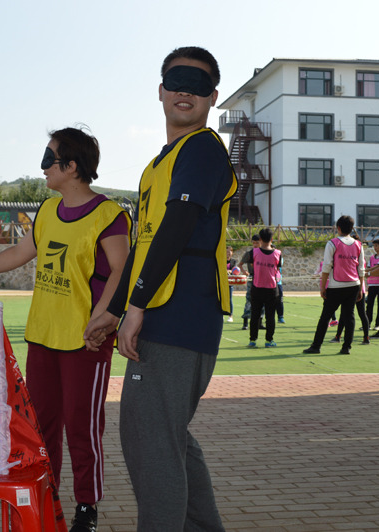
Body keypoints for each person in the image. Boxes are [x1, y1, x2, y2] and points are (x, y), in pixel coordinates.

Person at [83, 46, 236, 532]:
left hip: (180, 315)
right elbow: (144, 245)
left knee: (151, 439)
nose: (185, 91)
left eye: (197, 83)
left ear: (213, 96)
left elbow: (179, 225)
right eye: (176, 81)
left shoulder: (203, 149)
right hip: (160, 313)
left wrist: (135, 306)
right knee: (166, 438)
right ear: (160, 90)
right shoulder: (158, 165)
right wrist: (113, 310)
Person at [0, 127, 131, 532]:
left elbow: (122, 269)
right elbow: (19, 252)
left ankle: (87, 507)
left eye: (50, 159)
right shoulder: (48, 210)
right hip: (43, 338)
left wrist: (104, 317)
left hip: (86, 342)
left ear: (72, 166)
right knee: (42, 430)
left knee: (82, 429)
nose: (43, 167)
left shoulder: (109, 215)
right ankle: (46, 498)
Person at [303, 215, 364, 355]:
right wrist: (361, 288)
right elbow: (361, 269)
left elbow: (326, 266)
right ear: (352, 228)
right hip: (353, 284)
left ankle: (316, 346)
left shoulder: (332, 243)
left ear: (338, 228)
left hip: (336, 285)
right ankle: (346, 347)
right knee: (349, 316)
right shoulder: (358, 245)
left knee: (325, 316)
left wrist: (323, 287)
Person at [246, 228, 281, 347]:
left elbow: (252, 265)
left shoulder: (254, 252)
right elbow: (278, 268)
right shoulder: (278, 253)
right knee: (270, 316)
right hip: (272, 289)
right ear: (272, 239)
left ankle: (252, 340)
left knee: (255, 315)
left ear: (260, 239)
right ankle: (269, 340)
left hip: (257, 288)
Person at [237, 235, 262, 330]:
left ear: (261, 242)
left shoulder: (264, 253)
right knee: (249, 299)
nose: (255, 245)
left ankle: (260, 322)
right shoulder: (249, 253)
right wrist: (244, 272)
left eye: (257, 243)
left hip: (262, 278)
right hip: (252, 277)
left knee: (262, 300)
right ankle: (245, 323)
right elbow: (240, 264)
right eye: (253, 243)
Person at [365, 239, 379, 329]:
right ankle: (367, 324)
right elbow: (369, 267)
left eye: (376, 246)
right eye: (374, 245)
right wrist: (366, 271)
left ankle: (378, 324)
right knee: (369, 304)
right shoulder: (371, 258)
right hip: (371, 284)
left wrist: (366, 272)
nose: (375, 247)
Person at [225, 245, 236, 322]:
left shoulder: (233, 261)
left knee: (230, 299)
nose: (228, 253)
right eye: (226, 252)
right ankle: (221, 315)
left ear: (232, 252)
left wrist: (231, 271)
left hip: (230, 282)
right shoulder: (221, 260)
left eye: (229, 252)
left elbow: (235, 270)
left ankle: (230, 315)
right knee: (220, 299)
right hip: (222, 282)